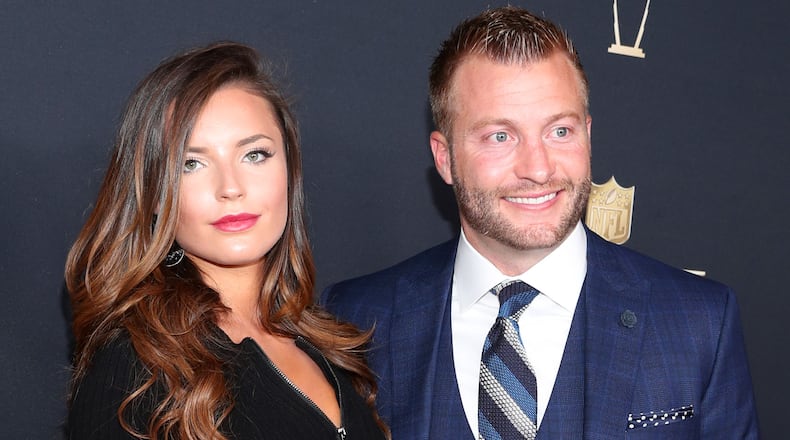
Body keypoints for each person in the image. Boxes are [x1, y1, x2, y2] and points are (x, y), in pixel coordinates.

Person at [322, 6, 759, 439]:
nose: (537, 168)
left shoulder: (698, 321)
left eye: (560, 131)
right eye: (500, 136)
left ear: (588, 133)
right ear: (445, 158)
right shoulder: (356, 320)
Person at [65, 42, 388, 440]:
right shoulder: (134, 368)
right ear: (152, 194)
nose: (230, 188)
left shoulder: (330, 346)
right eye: (192, 163)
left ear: (290, 168)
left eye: (254, 155)